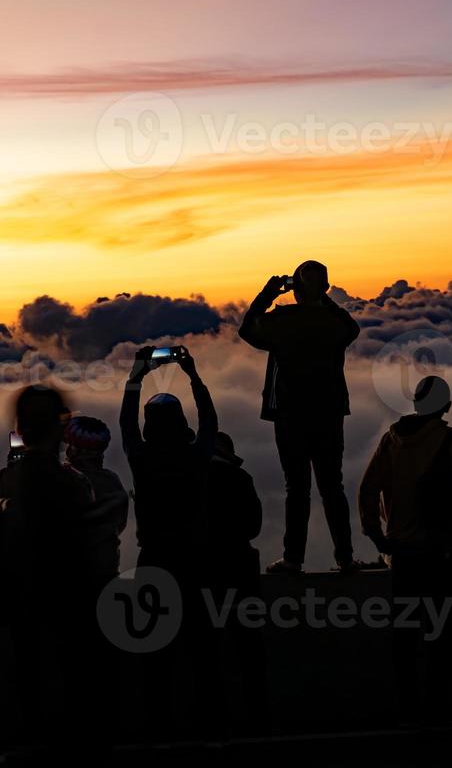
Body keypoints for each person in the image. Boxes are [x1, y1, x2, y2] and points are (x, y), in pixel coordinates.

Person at [0, 385, 124, 768]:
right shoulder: (62, 483)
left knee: (41, 709)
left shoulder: (19, 476)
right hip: (62, 614)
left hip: (27, 612)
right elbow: (72, 553)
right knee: (73, 714)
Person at [358, 376, 452, 724]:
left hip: (402, 554)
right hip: (440, 552)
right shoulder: (451, 439)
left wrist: (376, 535)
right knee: (440, 637)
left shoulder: (391, 440)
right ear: (445, 405)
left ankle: (408, 709)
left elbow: (367, 489)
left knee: (405, 637)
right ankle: (437, 710)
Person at [119, 345, 219, 739]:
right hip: (196, 558)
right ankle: (206, 724)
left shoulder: (140, 459)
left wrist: (135, 377)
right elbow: (210, 421)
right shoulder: (197, 457)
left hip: (155, 558)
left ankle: (158, 724)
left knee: (156, 647)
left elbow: (125, 423)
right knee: (201, 646)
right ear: (181, 423)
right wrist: (193, 375)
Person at [239, 261, 360, 573]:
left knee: (297, 489)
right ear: (324, 288)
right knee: (333, 487)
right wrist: (324, 297)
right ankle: (345, 557)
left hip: (290, 416)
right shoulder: (333, 324)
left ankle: (293, 559)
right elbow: (352, 328)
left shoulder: (283, 320)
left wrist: (267, 294)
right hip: (329, 415)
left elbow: (247, 329)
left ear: (296, 290)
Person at [204, 432, 269, 736]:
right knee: (250, 654)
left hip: (207, 573)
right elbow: (254, 526)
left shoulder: (194, 481)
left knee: (210, 657)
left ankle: (217, 722)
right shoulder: (241, 479)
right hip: (242, 571)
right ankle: (259, 720)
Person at [64, 416, 129, 586]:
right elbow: (120, 525)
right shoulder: (113, 483)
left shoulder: (62, 479)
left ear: (74, 449)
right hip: (107, 575)